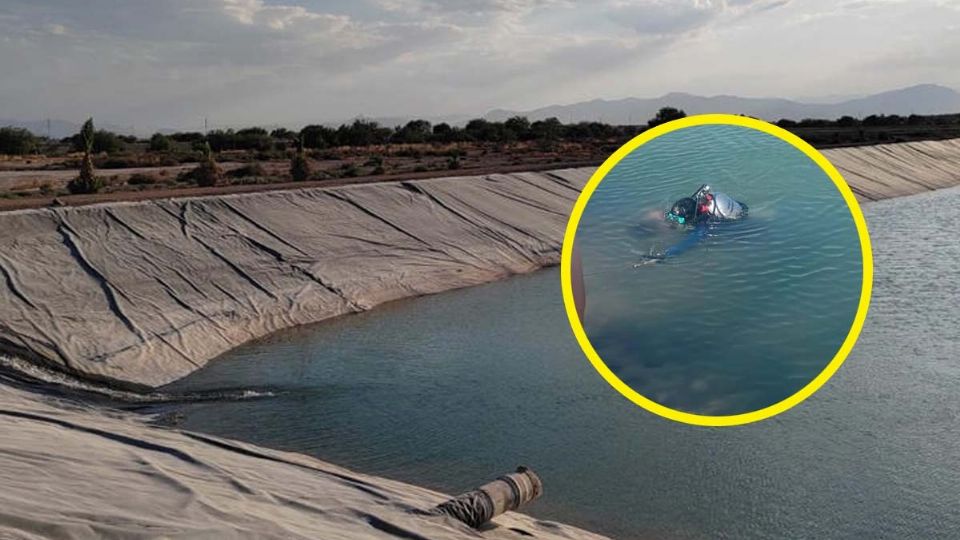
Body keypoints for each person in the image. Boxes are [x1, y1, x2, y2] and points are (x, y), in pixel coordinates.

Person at [637, 185, 747, 265]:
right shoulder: (695, 202)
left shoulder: (705, 223)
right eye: (673, 216)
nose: (674, 220)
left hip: (730, 219)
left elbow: (689, 242)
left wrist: (665, 255)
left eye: (679, 219)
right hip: (731, 205)